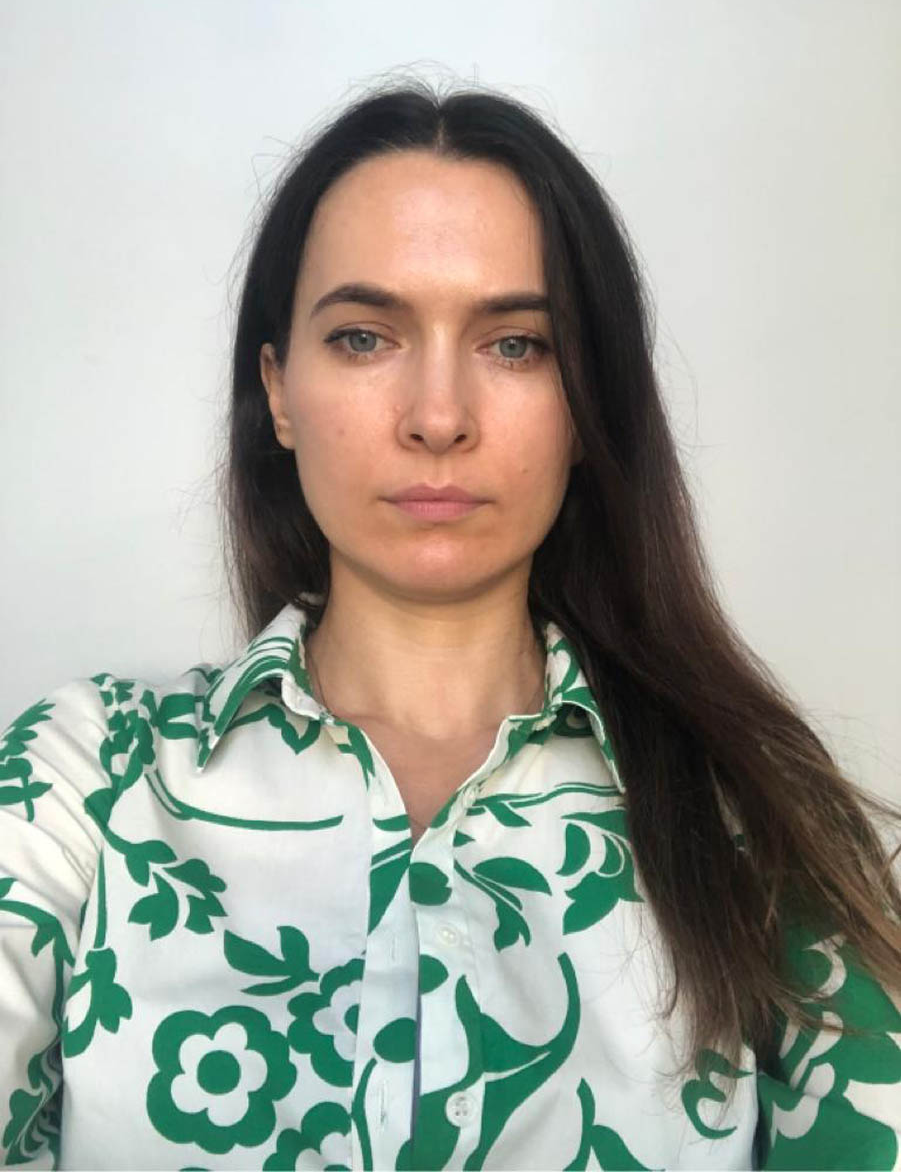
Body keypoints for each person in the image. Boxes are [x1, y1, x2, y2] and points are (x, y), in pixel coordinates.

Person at [1, 77, 899, 1172]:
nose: (438, 418)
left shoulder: (757, 822)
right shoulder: (82, 784)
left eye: (515, 345)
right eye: (364, 337)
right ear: (277, 391)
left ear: (587, 408)